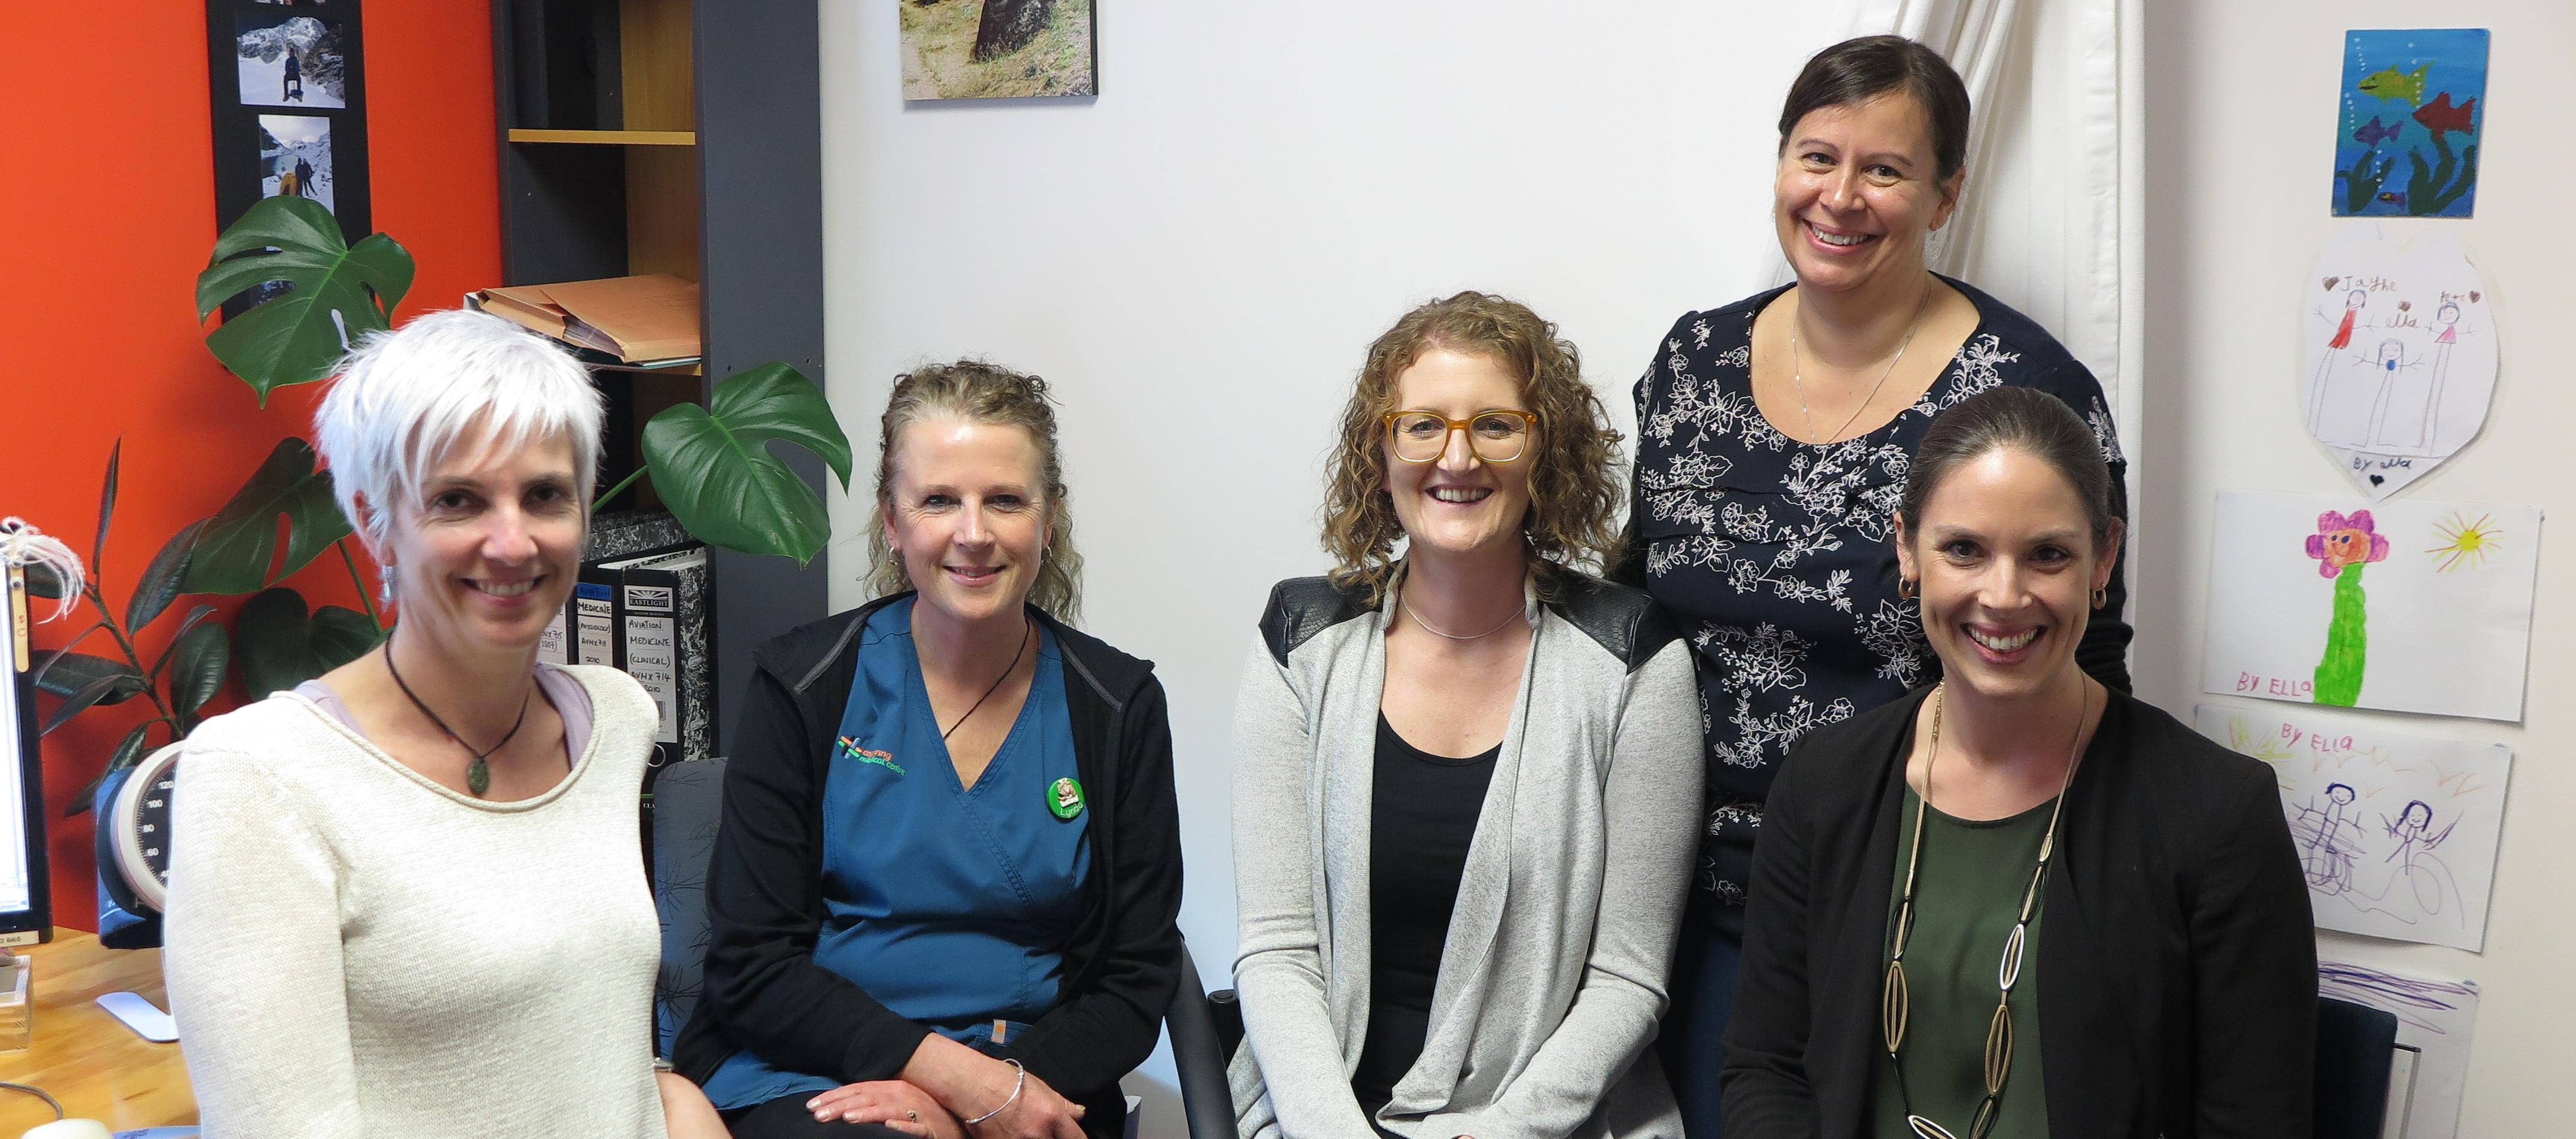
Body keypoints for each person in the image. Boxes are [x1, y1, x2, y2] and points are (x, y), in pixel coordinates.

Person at [1617, 36, 2135, 1132]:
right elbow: (1635, 602)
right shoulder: (1692, 363)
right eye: (1815, 157)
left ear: (1948, 192)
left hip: (1903, 896)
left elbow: (2089, 658)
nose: (1840, 197)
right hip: (1659, 896)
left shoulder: (2022, 390)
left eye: (1886, 171)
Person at [165, 309, 724, 1138]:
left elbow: (565, 1025)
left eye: (544, 494)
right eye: (458, 499)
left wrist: (663, 1091)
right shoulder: (259, 776)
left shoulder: (612, 718)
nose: (512, 541)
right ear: (372, 518)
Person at [1722, 387, 2316, 1138]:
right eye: (1964, 549)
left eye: (2048, 555)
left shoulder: (2217, 813)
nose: (2003, 597)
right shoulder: (1824, 779)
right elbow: (1764, 1066)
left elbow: (2255, 1121)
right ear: (1906, 548)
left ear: (2103, 557)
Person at [1229, 293, 1706, 1138]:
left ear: (1543, 451)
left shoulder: (1633, 660)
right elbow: (1276, 949)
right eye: (1420, 425)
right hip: (1319, 1118)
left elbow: (1626, 979)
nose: (1456, 455)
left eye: (1494, 423)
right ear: (1379, 453)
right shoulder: (1298, 646)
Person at [675, 361, 1182, 1139]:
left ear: (1048, 520)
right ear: (891, 519)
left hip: (1032, 1075)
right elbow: (753, 964)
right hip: (813, 1069)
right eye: (939, 499)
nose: (972, 533)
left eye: (1004, 499)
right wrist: (942, 1076)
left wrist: (996, 1095)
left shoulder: (1116, 706)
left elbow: (1133, 974)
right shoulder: (804, 684)